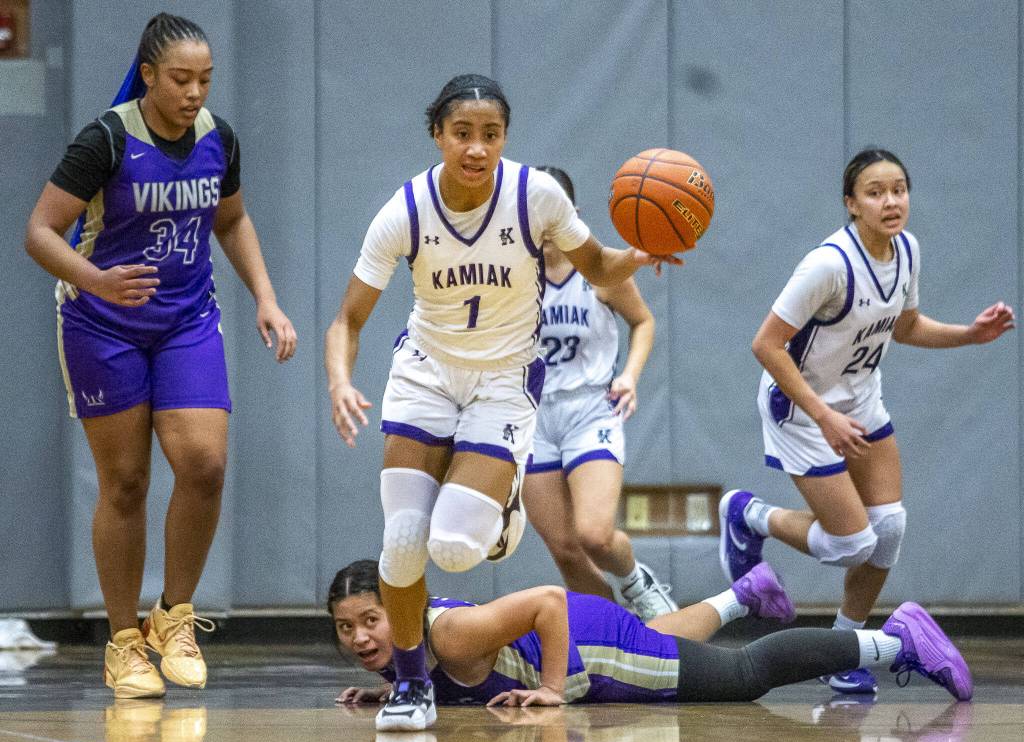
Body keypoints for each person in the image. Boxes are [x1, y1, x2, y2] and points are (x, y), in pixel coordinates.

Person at [324, 74, 679, 731]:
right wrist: (341, 380)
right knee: (402, 542)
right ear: (438, 135)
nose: (477, 147)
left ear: (505, 138)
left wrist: (633, 257)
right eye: (463, 133)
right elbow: (347, 318)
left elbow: (597, 268)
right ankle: (410, 686)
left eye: (491, 134)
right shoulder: (405, 211)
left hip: (504, 380)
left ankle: (505, 498)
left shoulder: (535, 196)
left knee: (455, 549)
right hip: (425, 375)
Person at [24, 13, 296, 699]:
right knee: (126, 483)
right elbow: (39, 231)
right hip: (102, 323)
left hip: (186, 321)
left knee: (204, 464)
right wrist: (96, 279)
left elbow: (230, 220)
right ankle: (122, 643)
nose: (194, 91)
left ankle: (173, 616)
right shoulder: (107, 140)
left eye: (205, 79)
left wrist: (266, 296)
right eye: (181, 78)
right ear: (148, 75)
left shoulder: (217, 139)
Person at [719, 148, 1013, 695]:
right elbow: (766, 344)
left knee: (890, 529)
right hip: (801, 408)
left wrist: (969, 335)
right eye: (875, 192)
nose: (891, 201)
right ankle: (749, 514)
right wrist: (823, 413)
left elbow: (905, 327)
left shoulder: (906, 252)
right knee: (852, 544)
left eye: (899, 189)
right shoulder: (828, 265)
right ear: (852, 204)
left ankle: (842, 647)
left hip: (860, 402)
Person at [329, 558, 972, 713]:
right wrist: (398, 689)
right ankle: (741, 594)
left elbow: (548, 602)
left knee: (741, 678)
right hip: (591, 633)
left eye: (371, 619)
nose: (359, 638)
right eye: (345, 628)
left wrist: (552, 689)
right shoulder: (405, 655)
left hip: (580, 645)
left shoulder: (451, 634)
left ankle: (895, 641)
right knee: (655, 640)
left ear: (403, 607)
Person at [523, 166, 672, 620]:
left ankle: (635, 581)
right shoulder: (510, 276)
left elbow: (643, 321)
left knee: (594, 535)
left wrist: (629, 374)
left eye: (555, 212)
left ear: (573, 215)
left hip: (589, 408)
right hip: (530, 416)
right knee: (566, 550)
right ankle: (617, 633)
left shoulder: (601, 271)